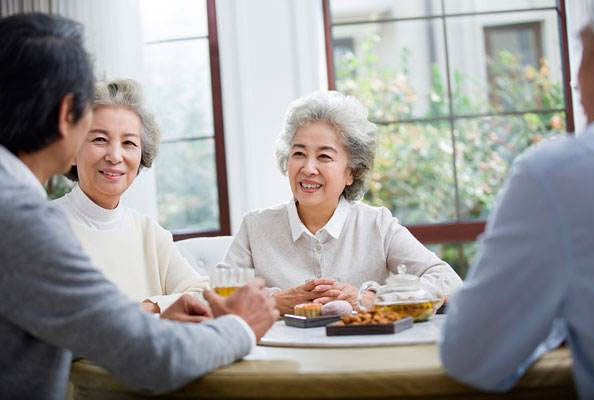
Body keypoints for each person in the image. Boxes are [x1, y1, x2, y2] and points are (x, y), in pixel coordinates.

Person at [0, 12, 278, 400]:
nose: (114, 155)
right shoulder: (22, 218)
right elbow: (152, 357)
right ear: (68, 115)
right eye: (95, 132)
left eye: (128, 143)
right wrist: (242, 327)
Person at [440, 9, 594, 399]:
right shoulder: (263, 225)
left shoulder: (558, 175)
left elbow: (471, 355)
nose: (575, 82)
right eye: (298, 153)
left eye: (325, 156)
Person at [223, 91, 462, 314]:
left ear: (351, 173)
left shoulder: (377, 224)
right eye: (298, 154)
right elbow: (215, 299)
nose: (308, 168)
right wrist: (277, 302)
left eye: (324, 156)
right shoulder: (255, 227)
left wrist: (370, 299)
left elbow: (447, 280)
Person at [55, 78, 208, 313]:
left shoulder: (148, 232)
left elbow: (201, 292)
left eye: (129, 143)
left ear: (140, 159)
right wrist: (150, 312)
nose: (115, 156)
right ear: (73, 151)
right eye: (99, 139)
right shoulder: (45, 225)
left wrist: (148, 307)